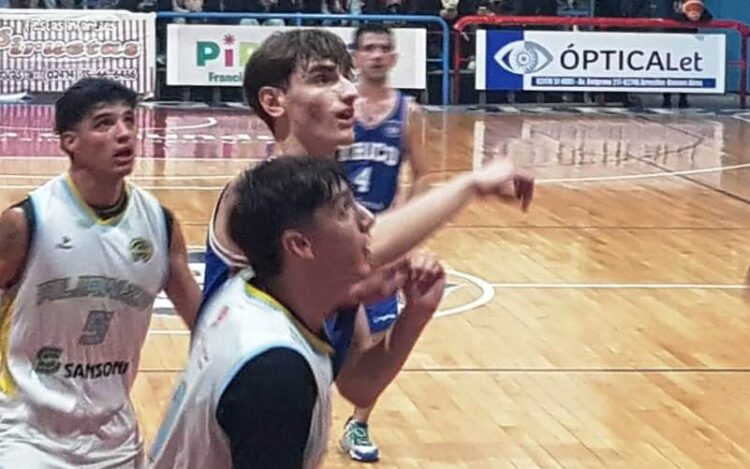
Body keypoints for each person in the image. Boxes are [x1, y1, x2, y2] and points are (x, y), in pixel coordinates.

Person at [149, 155, 446, 468]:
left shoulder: (249, 290)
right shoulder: (275, 370)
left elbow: (361, 384)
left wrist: (412, 312)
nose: (368, 219)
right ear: (299, 245)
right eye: (345, 209)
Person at [0, 78, 200, 468]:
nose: (124, 133)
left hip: (115, 437)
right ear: (69, 142)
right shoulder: (25, 223)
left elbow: (205, 325)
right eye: (104, 123)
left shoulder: (160, 225)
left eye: (129, 120)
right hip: (25, 432)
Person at [336, 24, 433, 462]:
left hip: (381, 240)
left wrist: (404, 223)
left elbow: (425, 175)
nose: (376, 55)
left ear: (393, 58)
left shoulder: (408, 112)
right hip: (335, 236)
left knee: (378, 336)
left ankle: (358, 423)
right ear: (355, 57)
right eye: (368, 48)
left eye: (383, 49)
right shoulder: (339, 107)